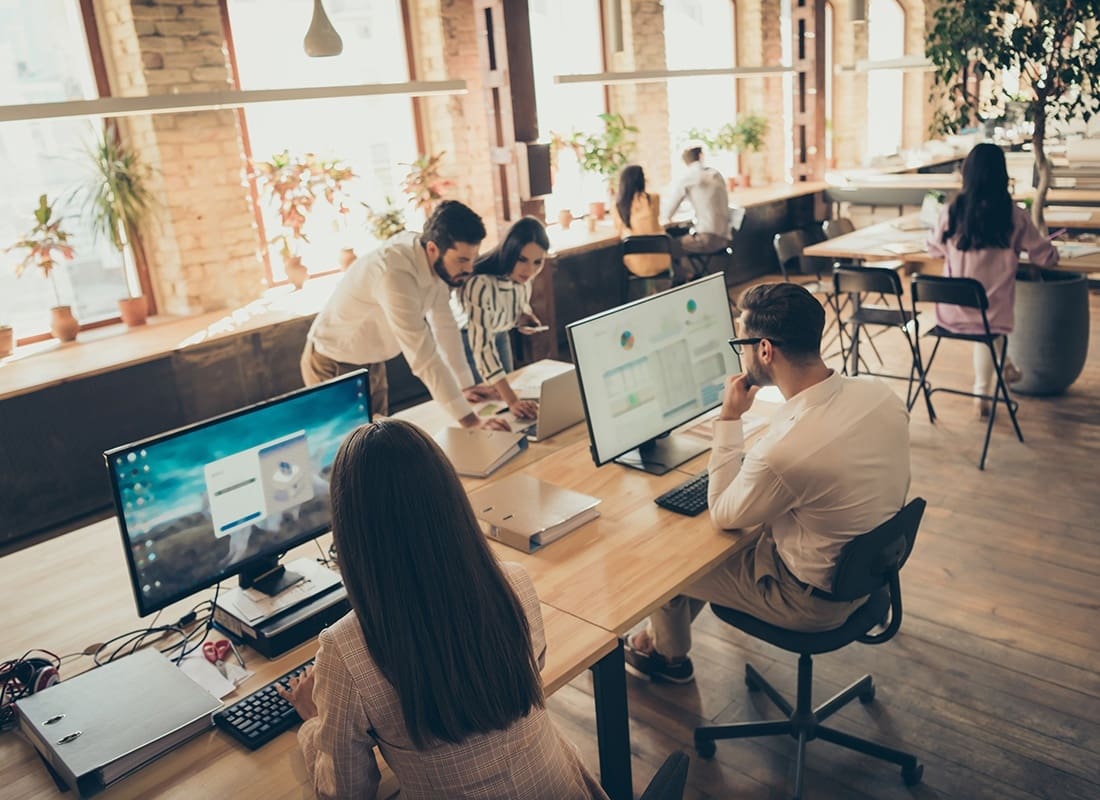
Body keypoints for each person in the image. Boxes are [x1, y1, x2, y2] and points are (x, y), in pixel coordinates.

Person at [278, 419, 608, 800]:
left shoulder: (346, 649)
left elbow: (346, 792)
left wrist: (313, 723)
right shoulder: (513, 583)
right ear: (451, 503)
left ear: (351, 533)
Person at [623, 283, 911, 684]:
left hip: (809, 604)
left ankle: (666, 657)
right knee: (716, 537)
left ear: (764, 350)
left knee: (670, 559)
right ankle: (657, 642)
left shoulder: (785, 452)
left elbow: (724, 514)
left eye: (740, 342)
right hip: (870, 574)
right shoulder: (880, 395)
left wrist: (728, 420)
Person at [300, 200, 506, 430]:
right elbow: (424, 357)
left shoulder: (434, 262)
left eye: (471, 258)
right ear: (432, 249)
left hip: (372, 362)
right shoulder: (394, 272)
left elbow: (445, 326)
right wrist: (471, 420)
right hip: (333, 363)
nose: (469, 269)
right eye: (462, 260)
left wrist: (465, 385)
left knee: (374, 446)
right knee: (347, 451)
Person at [926, 142, 1058, 418]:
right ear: (1002, 174)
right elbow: (1043, 257)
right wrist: (1052, 250)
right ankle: (984, 390)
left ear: (967, 173)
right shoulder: (1014, 215)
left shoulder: (951, 212)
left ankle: (995, 379)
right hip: (994, 312)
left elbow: (934, 248)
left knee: (983, 326)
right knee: (988, 327)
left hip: (951, 312)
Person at [457, 217, 550, 420]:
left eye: (537, 262)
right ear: (510, 252)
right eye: (522, 260)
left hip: (499, 334)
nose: (530, 270)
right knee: (482, 404)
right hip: (467, 340)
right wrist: (513, 401)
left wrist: (524, 318)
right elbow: (482, 347)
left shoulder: (525, 280)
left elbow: (516, 307)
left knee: (505, 393)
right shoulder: (481, 283)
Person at [661, 143, 731, 281]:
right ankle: (692, 278)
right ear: (700, 156)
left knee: (668, 245)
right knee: (682, 240)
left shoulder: (689, 177)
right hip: (724, 238)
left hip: (707, 239)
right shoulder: (716, 174)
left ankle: (689, 279)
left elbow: (667, 212)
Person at [612, 164, 673, 278]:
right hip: (661, 259)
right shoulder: (654, 198)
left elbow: (619, 231)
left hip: (635, 264)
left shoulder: (617, 206)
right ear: (642, 180)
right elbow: (656, 217)